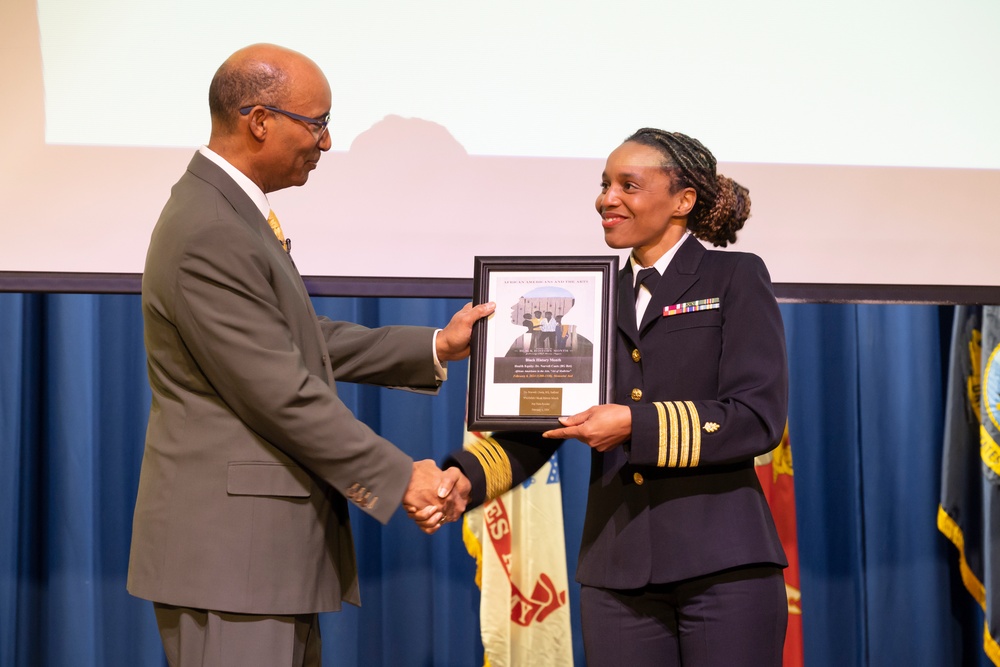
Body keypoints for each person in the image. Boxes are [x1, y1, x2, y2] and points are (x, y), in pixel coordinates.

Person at [126, 43, 492, 667]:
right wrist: (403, 476)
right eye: (317, 123)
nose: (326, 143)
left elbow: (295, 337)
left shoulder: (227, 211)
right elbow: (279, 391)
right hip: (233, 561)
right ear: (259, 119)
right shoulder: (210, 227)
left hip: (256, 560)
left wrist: (435, 346)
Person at [441, 128, 789, 666]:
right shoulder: (587, 294)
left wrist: (634, 425)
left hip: (723, 564)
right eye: (605, 184)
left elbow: (756, 417)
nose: (607, 199)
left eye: (629, 184)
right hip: (615, 569)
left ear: (683, 200)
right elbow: (546, 419)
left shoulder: (734, 275)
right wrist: (466, 477)